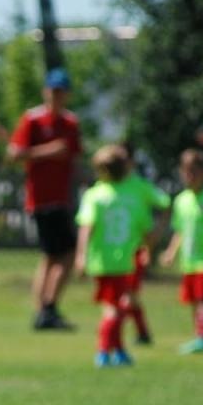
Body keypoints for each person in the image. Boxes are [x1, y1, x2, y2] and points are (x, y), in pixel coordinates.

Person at [8, 67, 83, 331]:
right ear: (45, 92)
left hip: (61, 197)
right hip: (40, 198)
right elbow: (15, 153)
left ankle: (45, 310)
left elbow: (73, 155)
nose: (57, 96)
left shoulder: (71, 123)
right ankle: (46, 308)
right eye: (53, 91)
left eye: (61, 91)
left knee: (52, 256)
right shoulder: (33, 120)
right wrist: (49, 151)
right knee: (64, 253)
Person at [74, 144, 152, 368]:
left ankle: (117, 351)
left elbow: (86, 228)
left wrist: (81, 255)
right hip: (125, 261)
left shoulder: (94, 196)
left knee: (113, 307)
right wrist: (147, 249)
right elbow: (144, 228)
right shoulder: (132, 196)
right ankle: (103, 351)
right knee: (115, 308)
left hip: (102, 261)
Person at [159, 148, 203, 354]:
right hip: (187, 262)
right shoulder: (181, 200)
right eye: (186, 172)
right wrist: (171, 252)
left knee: (202, 300)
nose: (189, 177)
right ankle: (197, 336)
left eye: (194, 172)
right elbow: (179, 231)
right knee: (192, 300)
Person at [116, 147, 171, 347]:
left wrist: (155, 235)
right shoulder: (106, 187)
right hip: (110, 254)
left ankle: (114, 337)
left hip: (134, 251)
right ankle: (142, 332)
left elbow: (165, 205)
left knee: (126, 295)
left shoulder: (140, 186)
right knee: (125, 296)